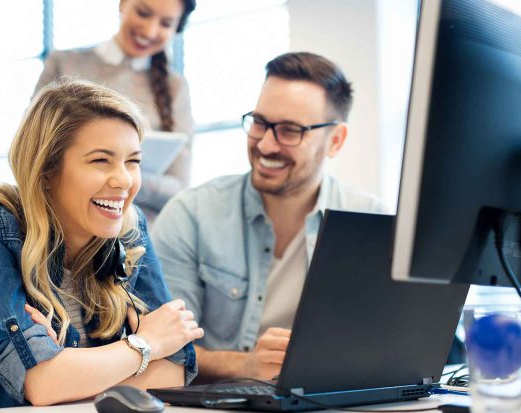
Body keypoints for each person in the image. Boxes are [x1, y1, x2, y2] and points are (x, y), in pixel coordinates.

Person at [0, 80, 203, 412]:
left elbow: (173, 370)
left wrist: (68, 368)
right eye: (101, 161)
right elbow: (43, 383)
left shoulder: (128, 229)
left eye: (132, 161)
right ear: (47, 169)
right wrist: (145, 343)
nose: (123, 180)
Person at [150, 52, 386, 382]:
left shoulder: (373, 224)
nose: (265, 144)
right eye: (260, 123)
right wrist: (245, 365)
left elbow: (393, 348)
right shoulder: (190, 215)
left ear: (335, 141)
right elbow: (163, 350)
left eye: (289, 130)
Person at [34, 0, 196, 221]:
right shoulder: (64, 64)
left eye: (166, 24)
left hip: (139, 238)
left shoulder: (175, 88)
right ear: (122, 4)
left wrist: (117, 174)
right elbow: (33, 152)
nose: (150, 30)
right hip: (63, 225)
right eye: (143, 13)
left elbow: (179, 188)